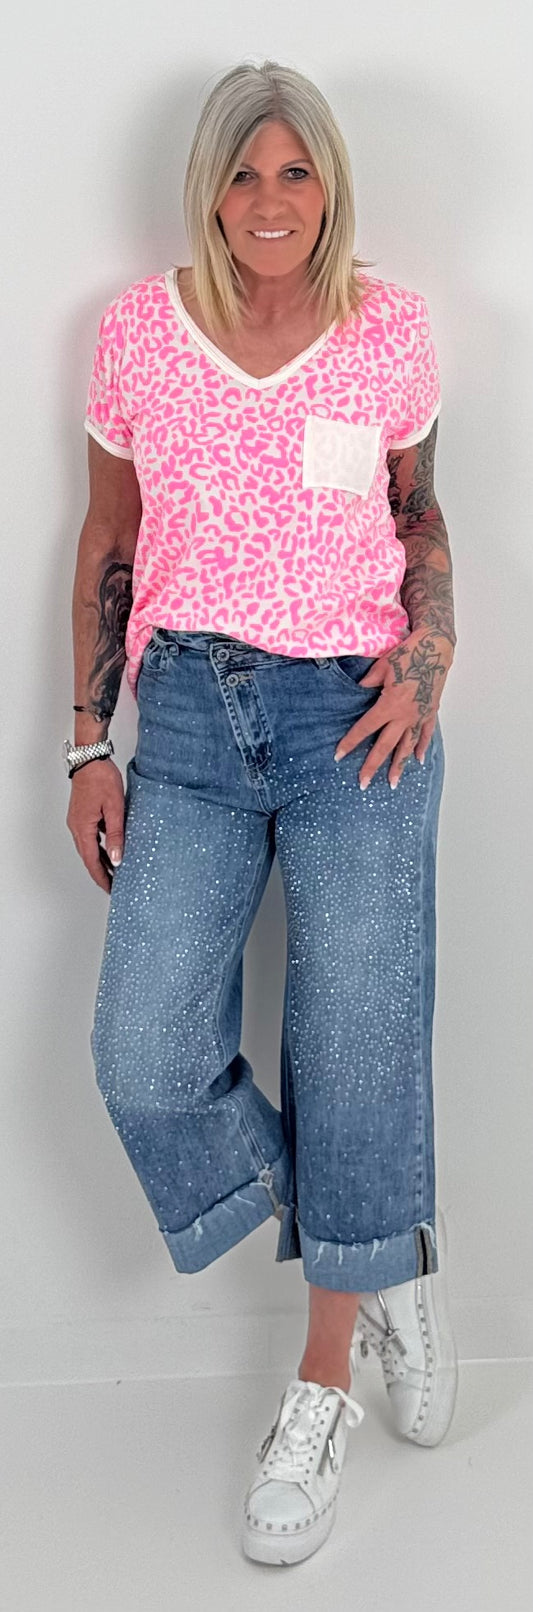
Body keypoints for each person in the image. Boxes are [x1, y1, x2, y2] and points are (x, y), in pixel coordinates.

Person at [66, 58, 459, 1567]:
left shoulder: (389, 329)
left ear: (329, 187)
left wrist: (430, 656)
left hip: (359, 719)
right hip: (188, 722)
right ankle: (382, 1243)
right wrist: (85, 743)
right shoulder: (139, 333)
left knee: (355, 1043)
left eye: (296, 173)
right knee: (144, 1053)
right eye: (244, 173)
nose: (270, 200)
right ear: (209, 190)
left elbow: (419, 513)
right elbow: (108, 533)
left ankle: (321, 1379)